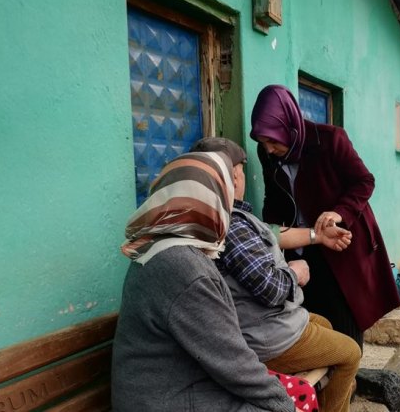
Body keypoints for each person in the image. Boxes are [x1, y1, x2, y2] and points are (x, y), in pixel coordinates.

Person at [111, 151, 310, 412]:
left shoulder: (159, 247)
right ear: (213, 201)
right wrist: (285, 406)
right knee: (294, 398)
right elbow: (232, 361)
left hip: (167, 388)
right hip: (168, 399)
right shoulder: (182, 267)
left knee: (297, 391)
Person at [190, 137, 360, 412]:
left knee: (325, 325)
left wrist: (317, 236)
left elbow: (272, 233)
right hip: (264, 337)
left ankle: (314, 399)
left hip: (260, 325)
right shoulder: (232, 228)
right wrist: (296, 273)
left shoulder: (216, 217)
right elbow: (271, 289)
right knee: (351, 353)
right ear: (234, 176)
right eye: (242, 170)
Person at [249, 84, 400, 349]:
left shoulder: (331, 140)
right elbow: (273, 198)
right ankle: (321, 385)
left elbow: (364, 181)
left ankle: (347, 383)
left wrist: (338, 212)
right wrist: (271, 236)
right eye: (263, 143)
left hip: (338, 242)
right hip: (302, 247)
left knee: (345, 321)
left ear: (290, 126)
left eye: (273, 140)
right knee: (311, 321)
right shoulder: (268, 154)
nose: (269, 149)